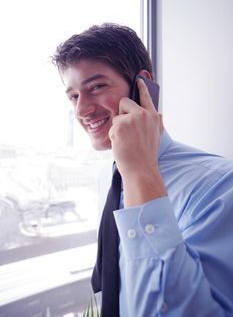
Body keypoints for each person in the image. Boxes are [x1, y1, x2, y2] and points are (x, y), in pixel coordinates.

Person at [52, 23, 233, 317]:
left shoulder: (221, 186)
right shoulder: (107, 180)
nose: (81, 111)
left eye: (96, 87)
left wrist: (140, 175)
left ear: (142, 85)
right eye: (73, 97)